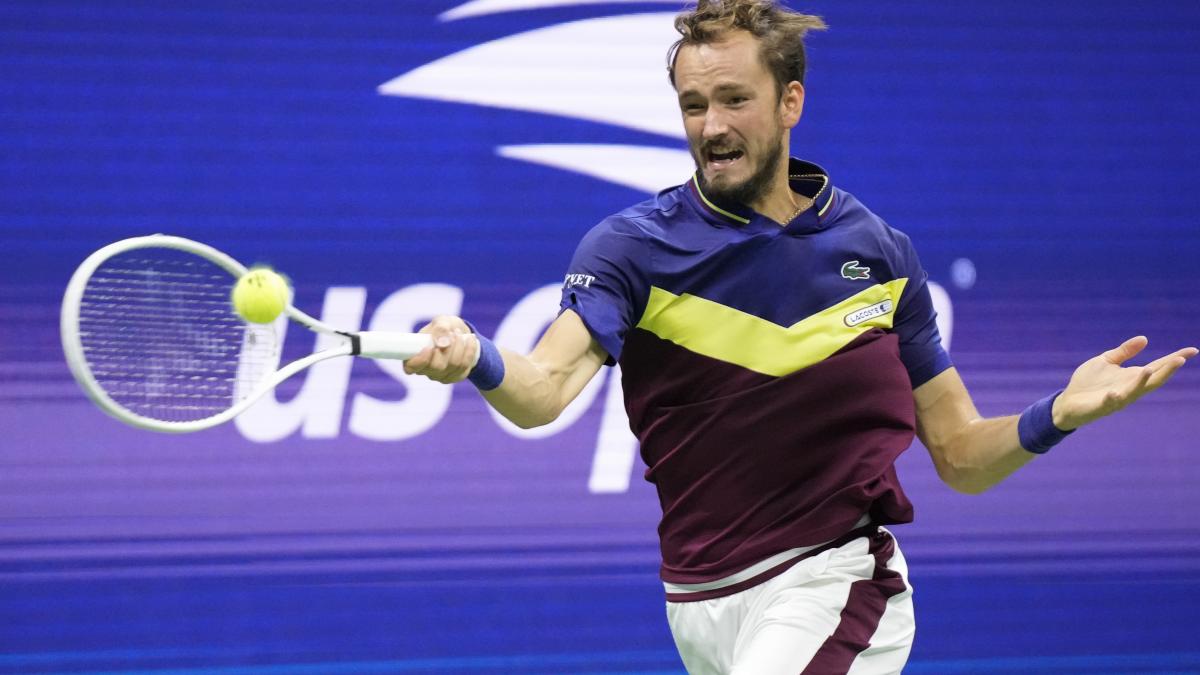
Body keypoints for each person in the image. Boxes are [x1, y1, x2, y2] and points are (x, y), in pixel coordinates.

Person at [403, 1, 1198, 672]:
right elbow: (544, 390)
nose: (710, 126)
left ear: (790, 102)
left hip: (836, 580)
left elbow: (958, 453)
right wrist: (478, 355)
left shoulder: (880, 256)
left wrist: (1057, 412)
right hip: (698, 604)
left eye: (733, 99)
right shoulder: (633, 247)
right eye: (692, 105)